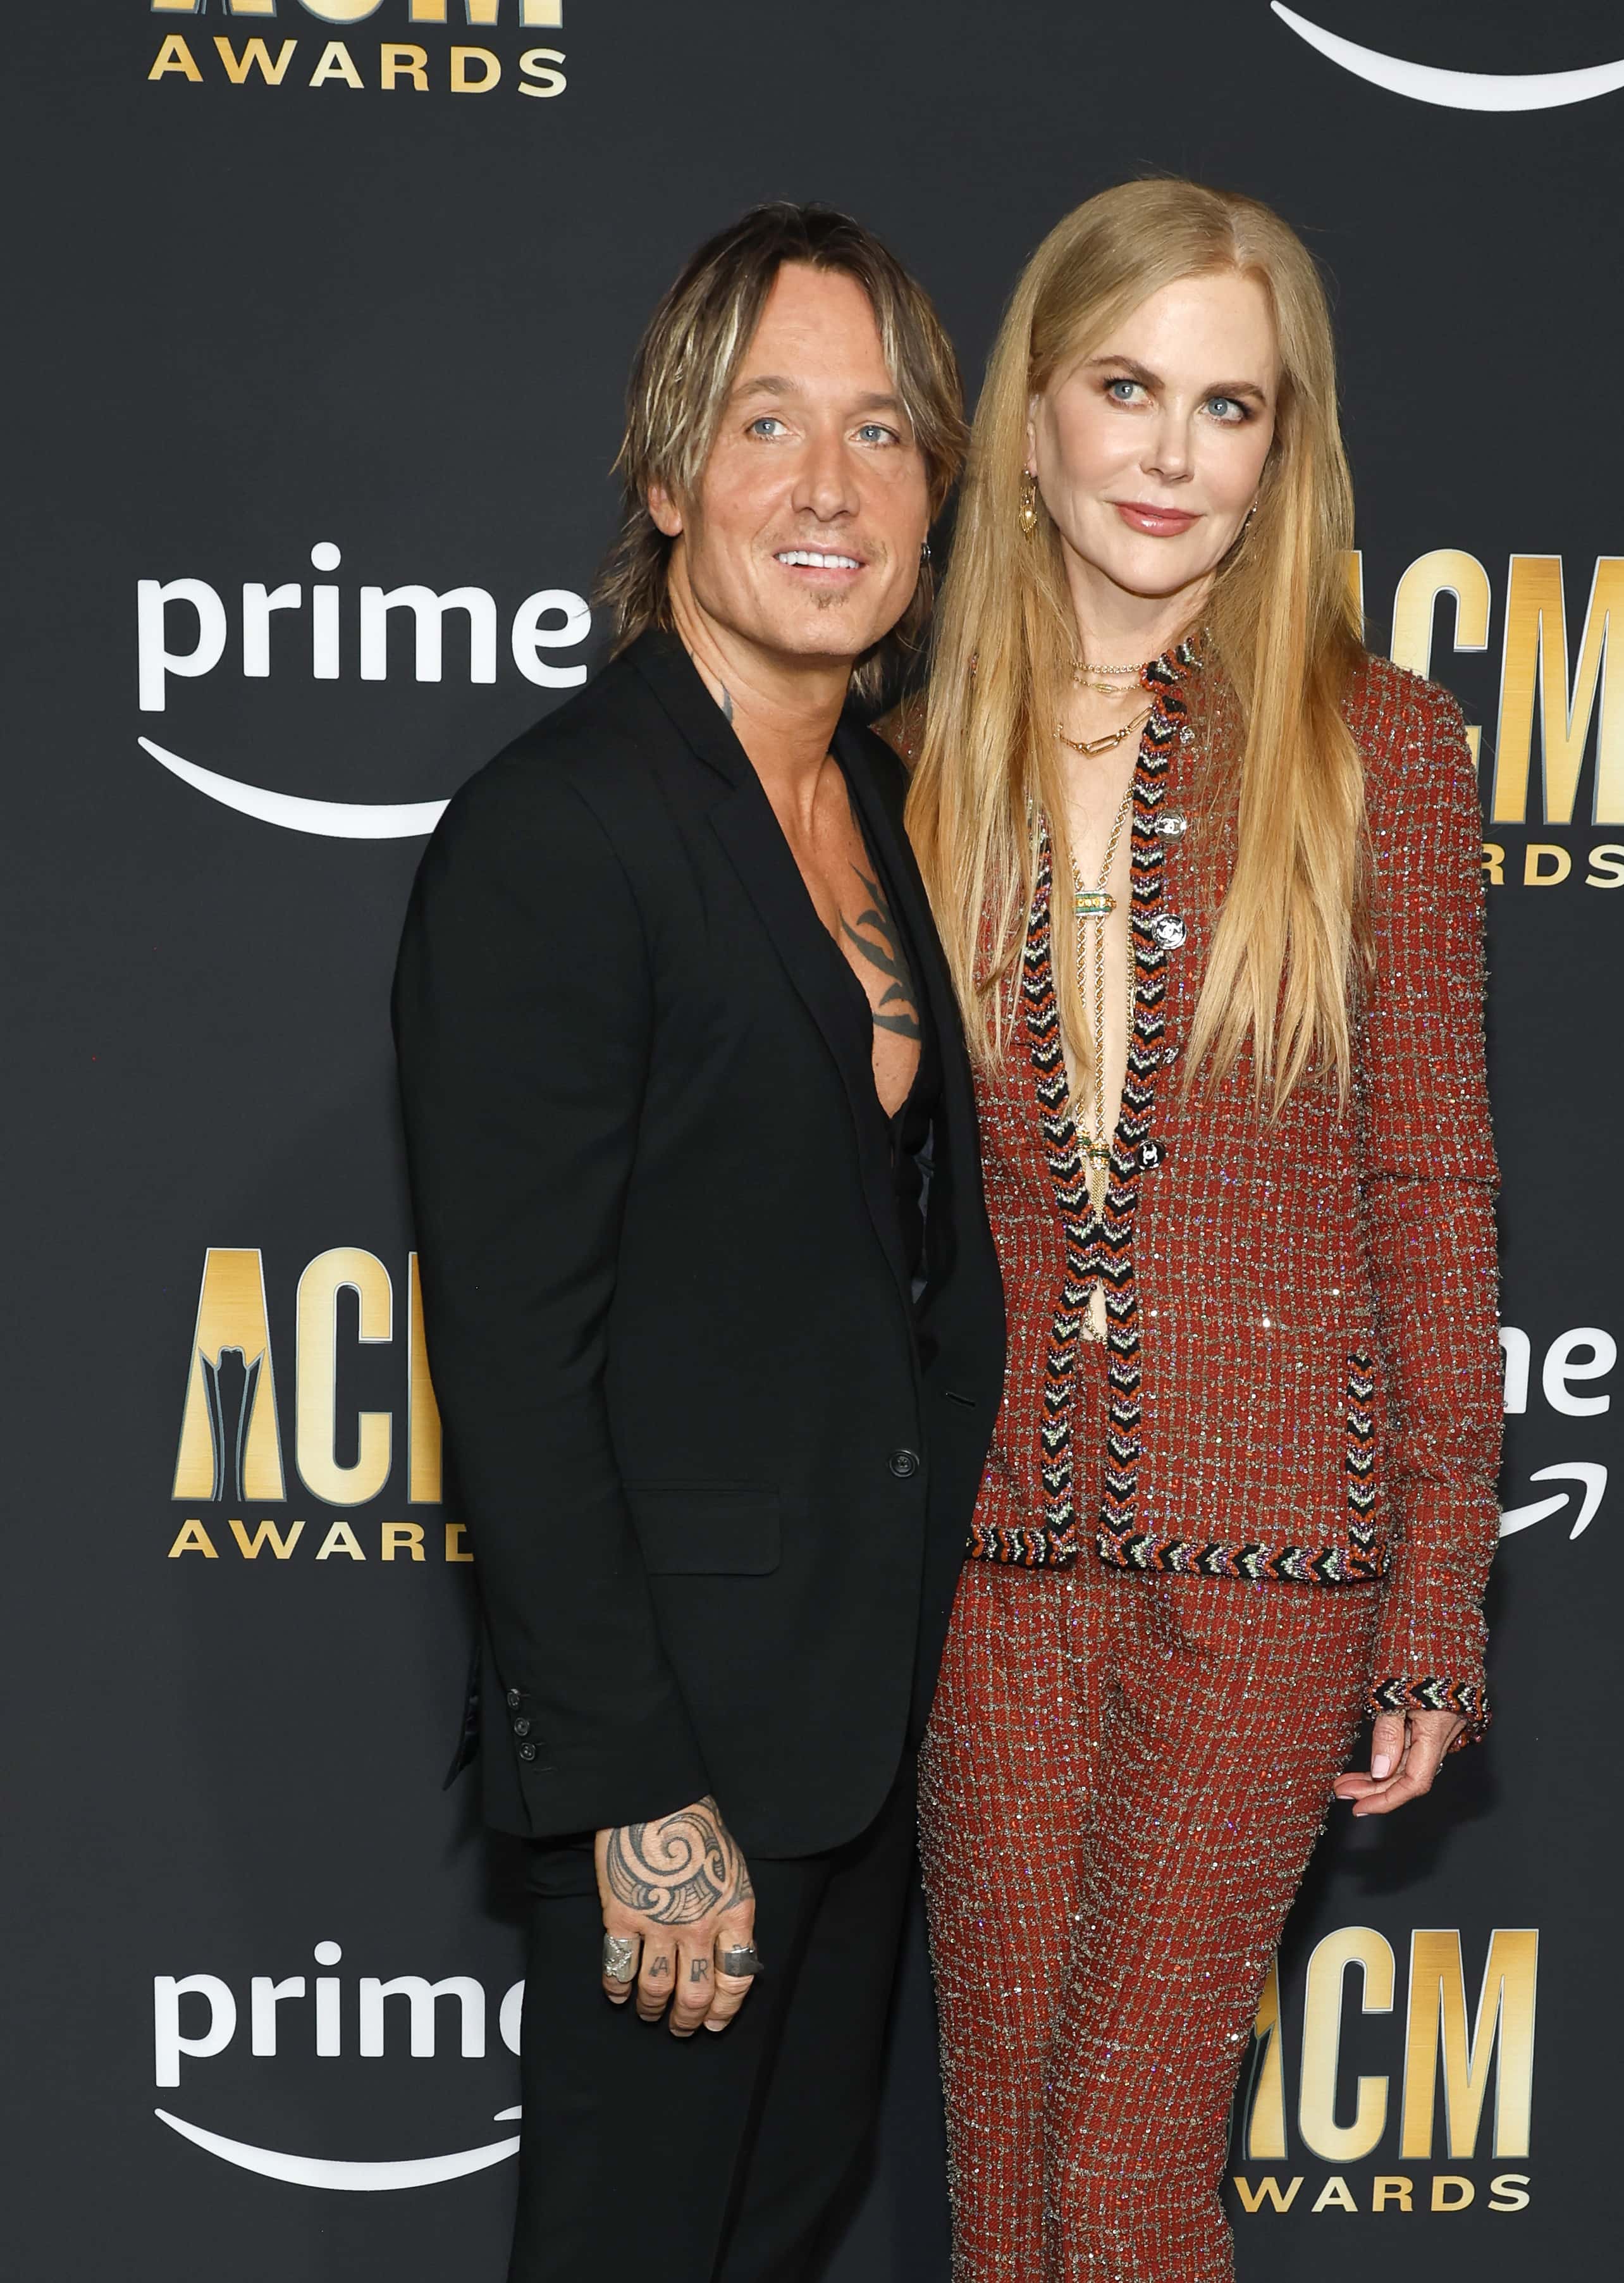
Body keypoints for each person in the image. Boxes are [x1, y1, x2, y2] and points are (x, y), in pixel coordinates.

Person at [892, 178, 1504, 2282]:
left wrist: (1436, 1589)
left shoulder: (1378, 753)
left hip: (1265, 1568)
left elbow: (1429, 1182)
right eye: (1126, 388)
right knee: (1007, 2187)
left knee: (1126, 2180)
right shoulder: (900, 761)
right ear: (1035, 421)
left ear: (1284, 449)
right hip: (977, 1575)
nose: (1169, 453)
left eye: (1227, 406)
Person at [393, 203, 1002, 2283]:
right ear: (669, 477)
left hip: (862, 1735)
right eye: (767, 424)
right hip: (686, 1772)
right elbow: (515, 1363)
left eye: (882, 434)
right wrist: (640, 1795)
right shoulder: (559, 831)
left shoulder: (880, 815)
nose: (830, 490)